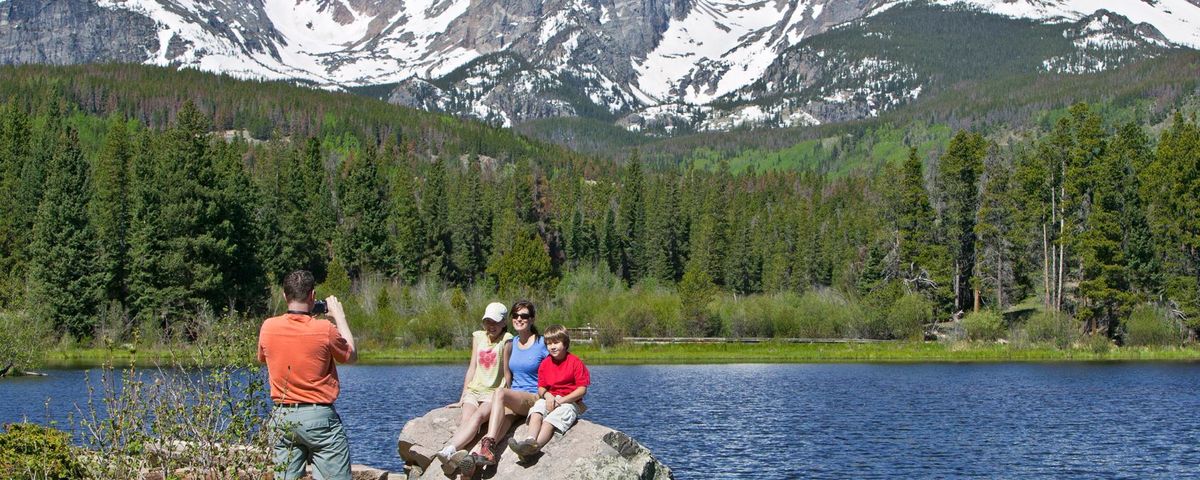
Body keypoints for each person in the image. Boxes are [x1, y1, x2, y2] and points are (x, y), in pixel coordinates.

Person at [258, 270, 357, 480]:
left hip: (282, 417)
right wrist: (340, 316)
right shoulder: (325, 329)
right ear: (312, 295)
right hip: (319, 418)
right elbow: (351, 355)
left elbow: (264, 357)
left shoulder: (268, 327)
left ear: (285, 296)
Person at [454, 300, 548, 471]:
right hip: (514, 400)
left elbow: (561, 363)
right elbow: (505, 372)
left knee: (500, 394)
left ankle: (488, 442)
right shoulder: (513, 342)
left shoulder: (541, 343)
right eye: (516, 315)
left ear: (532, 319)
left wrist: (558, 396)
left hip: (532, 397)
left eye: (524, 316)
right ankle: (474, 463)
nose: (519, 319)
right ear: (511, 318)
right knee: (496, 429)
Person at [434, 302, 514, 474]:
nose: (491, 326)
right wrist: (463, 396)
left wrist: (507, 397)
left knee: (477, 418)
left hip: (492, 393)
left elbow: (507, 371)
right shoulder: (478, 337)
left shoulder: (506, 340)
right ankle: (454, 458)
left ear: (503, 322)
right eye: (488, 321)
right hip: (474, 390)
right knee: (466, 420)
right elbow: (472, 367)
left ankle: (451, 451)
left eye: (495, 322)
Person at [508, 324, 590, 459]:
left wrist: (562, 400)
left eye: (556, 342)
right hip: (550, 398)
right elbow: (541, 388)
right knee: (536, 411)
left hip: (569, 402)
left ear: (565, 343)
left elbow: (582, 389)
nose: (552, 346)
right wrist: (548, 396)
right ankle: (529, 440)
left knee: (549, 421)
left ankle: (535, 448)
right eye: (549, 343)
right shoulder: (545, 363)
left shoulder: (575, 362)